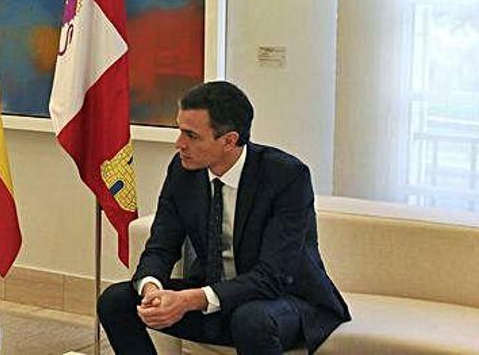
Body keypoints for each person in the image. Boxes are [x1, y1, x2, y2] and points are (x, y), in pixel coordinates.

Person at [98, 81, 350, 354]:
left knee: (251, 320)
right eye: (179, 131)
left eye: (191, 136)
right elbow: (161, 245)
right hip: (214, 296)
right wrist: (151, 289)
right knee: (116, 301)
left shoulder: (286, 177)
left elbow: (273, 276)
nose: (178, 144)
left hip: (285, 300)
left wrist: (190, 300)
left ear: (229, 140)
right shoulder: (184, 171)